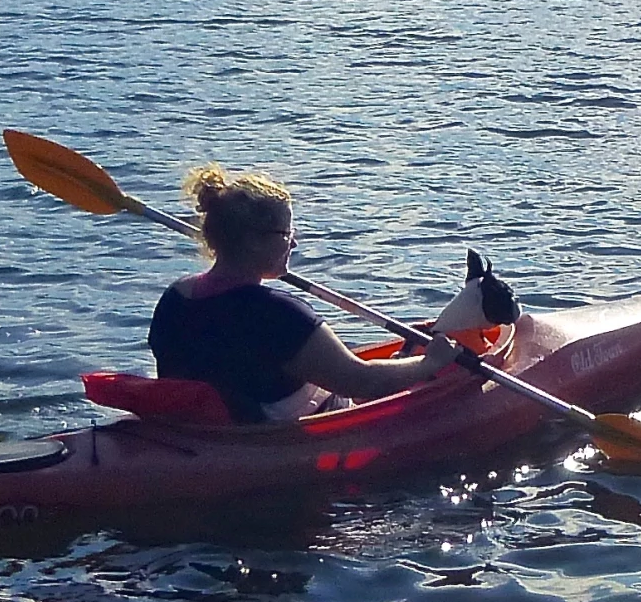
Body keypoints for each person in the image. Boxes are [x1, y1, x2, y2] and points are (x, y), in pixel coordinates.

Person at [149, 163, 461, 423]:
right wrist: (431, 362)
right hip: (259, 444)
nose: (293, 244)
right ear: (254, 240)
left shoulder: (176, 298)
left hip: (196, 433)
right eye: (286, 234)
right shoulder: (279, 315)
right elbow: (359, 379)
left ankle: (400, 361)